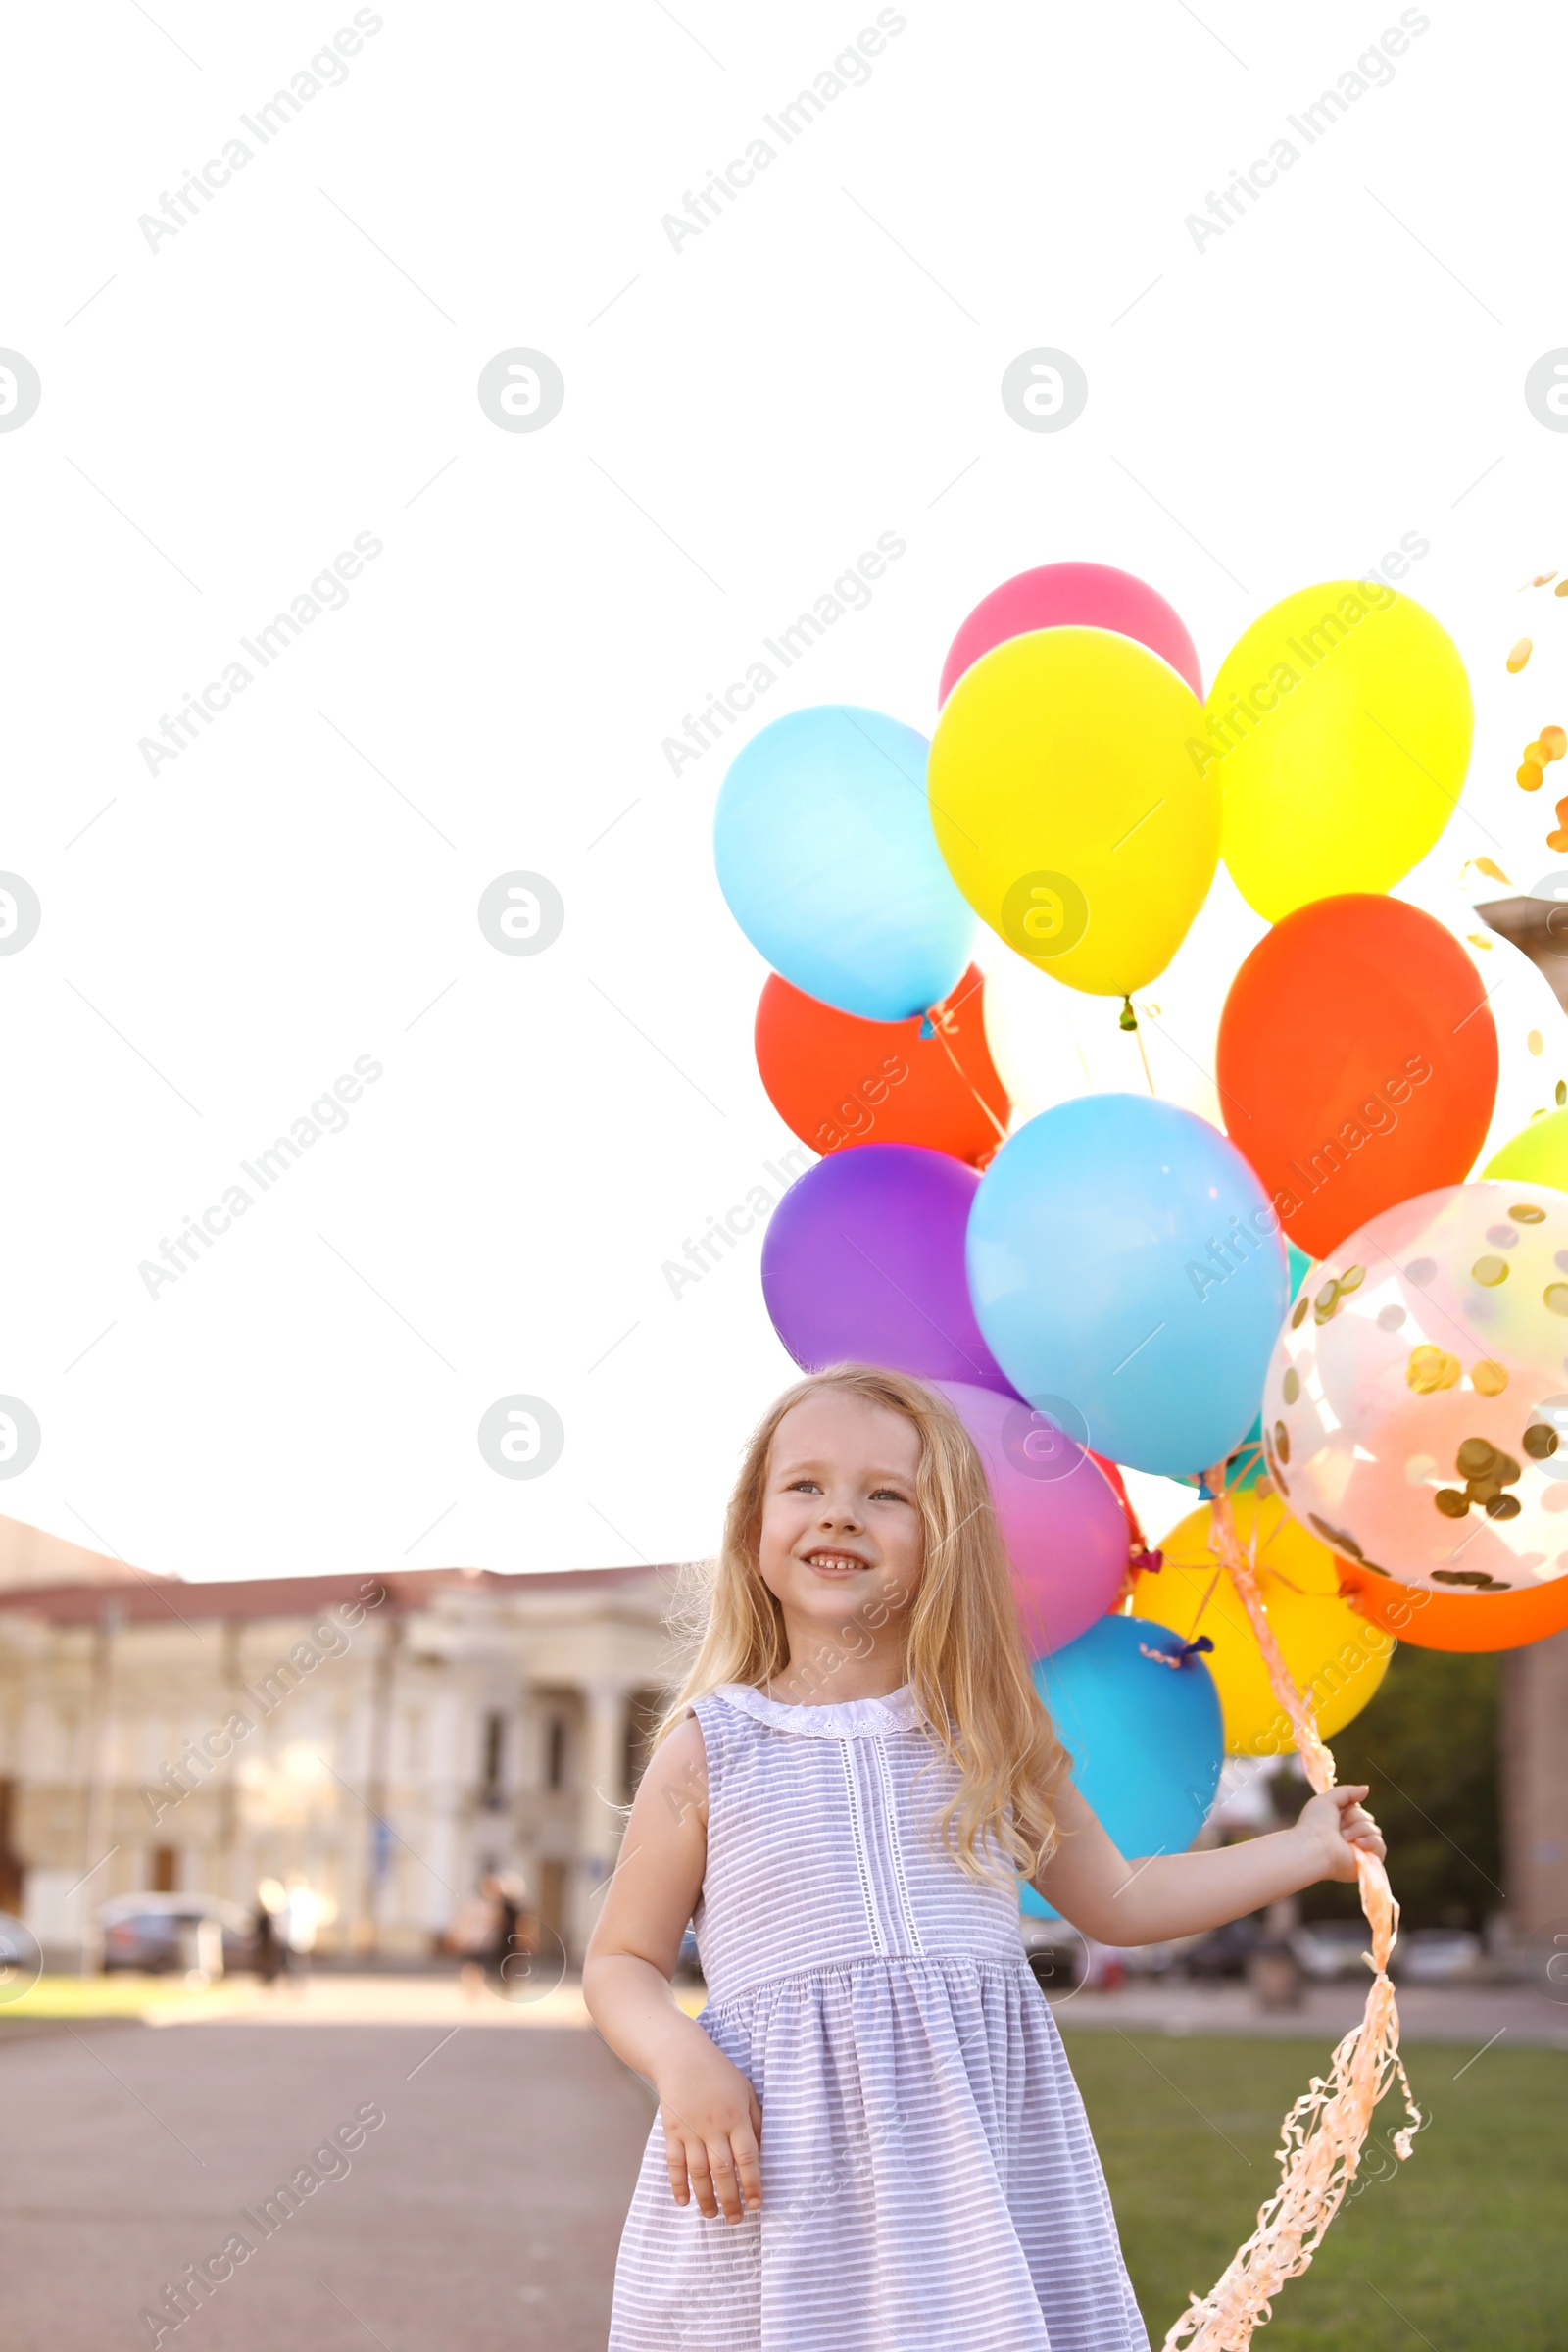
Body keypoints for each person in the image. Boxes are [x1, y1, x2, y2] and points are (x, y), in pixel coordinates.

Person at [584, 1365, 1386, 2352]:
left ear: (942, 1543)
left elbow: (1123, 1898)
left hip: (972, 2174)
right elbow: (620, 1961)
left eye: (887, 1495)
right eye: (805, 1487)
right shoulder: (712, 1747)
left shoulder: (987, 1734)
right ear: (754, 1526)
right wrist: (680, 2061)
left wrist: (1299, 1851)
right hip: (787, 2175)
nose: (840, 1516)